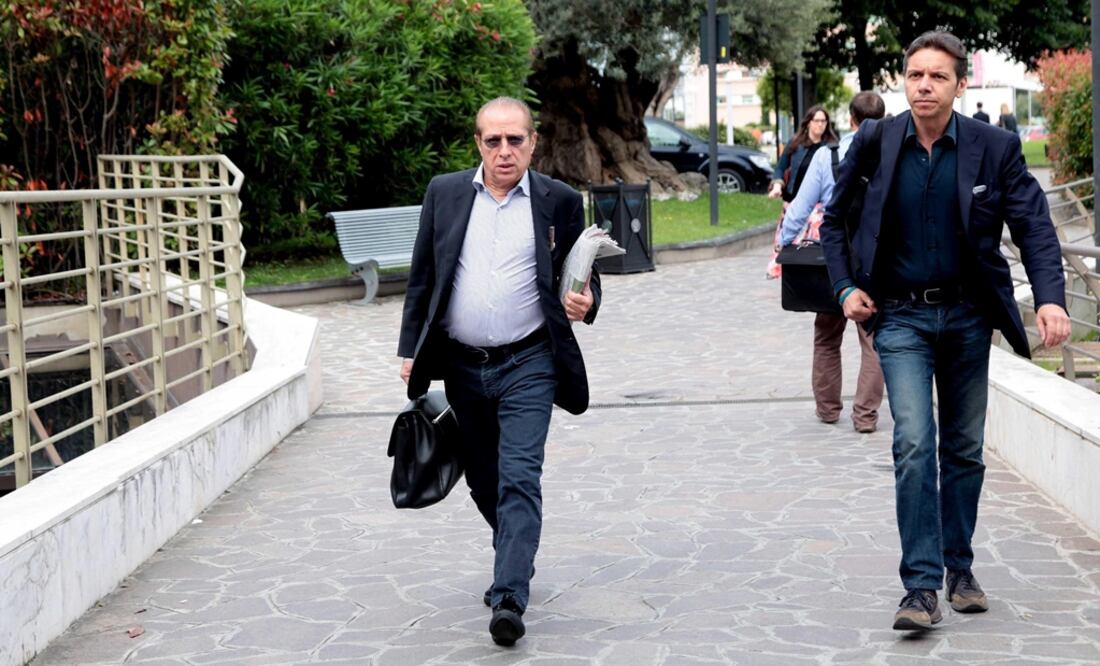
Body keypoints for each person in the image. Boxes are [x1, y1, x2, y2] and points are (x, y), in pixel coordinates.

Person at [820, 31, 1070, 632]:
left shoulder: (994, 147)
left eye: (937, 76)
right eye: (914, 75)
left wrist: (1052, 299)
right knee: (913, 443)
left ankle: (960, 568)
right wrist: (845, 287)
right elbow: (833, 218)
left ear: (960, 84)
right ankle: (921, 586)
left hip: (966, 317)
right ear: (904, 82)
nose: (924, 85)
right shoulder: (877, 142)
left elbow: (1033, 224)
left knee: (962, 449)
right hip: (900, 315)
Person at [397, 96, 601, 647]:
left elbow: (580, 273)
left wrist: (586, 301)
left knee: (518, 476)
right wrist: (409, 348)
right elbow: (423, 277)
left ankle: (509, 593)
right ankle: (517, 546)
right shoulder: (444, 193)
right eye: (493, 140)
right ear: (478, 144)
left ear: (533, 142)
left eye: (515, 140)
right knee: (484, 480)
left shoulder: (558, 201)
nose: (504, 151)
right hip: (463, 366)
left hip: (530, 361)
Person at [777, 92, 887, 433]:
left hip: (833, 257)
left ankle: (827, 409)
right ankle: (865, 416)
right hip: (876, 257)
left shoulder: (828, 156)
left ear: (851, 120)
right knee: (873, 339)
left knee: (827, 334)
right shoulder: (893, 153)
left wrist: (784, 243)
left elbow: (801, 206)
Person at [768, 105, 839, 202]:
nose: (820, 124)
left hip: (820, 203)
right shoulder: (795, 143)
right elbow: (780, 168)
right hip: (794, 199)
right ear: (809, 123)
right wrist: (777, 186)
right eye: (816, 120)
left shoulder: (832, 147)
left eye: (823, 121)